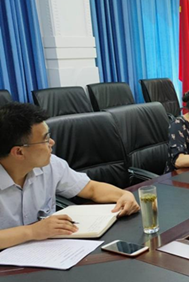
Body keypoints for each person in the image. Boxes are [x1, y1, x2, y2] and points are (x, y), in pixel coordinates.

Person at [0, 103, 140, 250]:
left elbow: (91, 189)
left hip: (48, 250)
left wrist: (123, 195)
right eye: (45, 139)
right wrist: (32, 231)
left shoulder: (50, 165)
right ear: (19, 152)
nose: (52, 143)